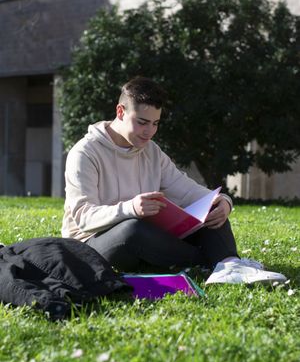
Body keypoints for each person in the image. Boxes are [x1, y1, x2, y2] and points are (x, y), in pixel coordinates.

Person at [62, 76, 286, 285]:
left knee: (210, 208)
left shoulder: (151, 152)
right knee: (133, 229)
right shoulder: (85, 153)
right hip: (93, 245)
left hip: (150, 239)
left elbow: (188, 191)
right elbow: (83, 216)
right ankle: (216, 262)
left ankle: (227, 264)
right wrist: (130, 208)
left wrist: (224, 201)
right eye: (142, 122)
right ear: (120, 112)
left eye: (155, 123)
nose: (149, 131)